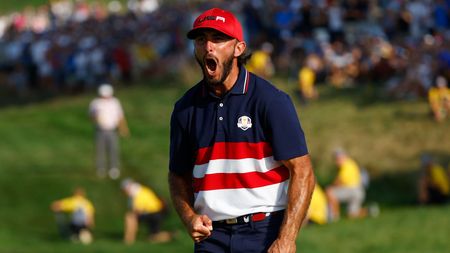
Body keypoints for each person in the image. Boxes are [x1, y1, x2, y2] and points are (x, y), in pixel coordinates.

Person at [168, 8, 315, 253]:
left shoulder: (271, 101)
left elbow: (303, 171)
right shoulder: (185, 108)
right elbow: (177, 175)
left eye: (218, 39)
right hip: (210, 238)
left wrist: (287, 239)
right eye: (201, 40)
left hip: (264, 232)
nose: (208, 47)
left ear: (239, 48)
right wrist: (189, 217)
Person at [88, 83, 129, 179]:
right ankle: (101, 168)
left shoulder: (115, 102)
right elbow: (91, 116)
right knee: (100, 150)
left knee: (113, 149)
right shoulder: (95, 103)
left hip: (112, 130)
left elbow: (120, 117)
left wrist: (123, 128)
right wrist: (95, 117)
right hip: (100, 130)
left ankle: (114, 168)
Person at [121, 178, 172, 244]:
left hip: (154, 214)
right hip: (156, 214)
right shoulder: (140, 190)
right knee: (152, 237)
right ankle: (170, 235)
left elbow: (137, 210)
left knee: (130, 217)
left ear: (128, 188)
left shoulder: (137, 193)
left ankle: (128, 240)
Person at [326, 148, 367, 220]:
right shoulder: (351, 163)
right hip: (359, 192)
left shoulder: (347, 165)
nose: (336, 161)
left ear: (343, 157)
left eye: (338, 159)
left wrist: (330, 186)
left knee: (330, 192)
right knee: (352, 215)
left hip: (353, 191)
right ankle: (370, 211)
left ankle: (334, 218)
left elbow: (339, 181)